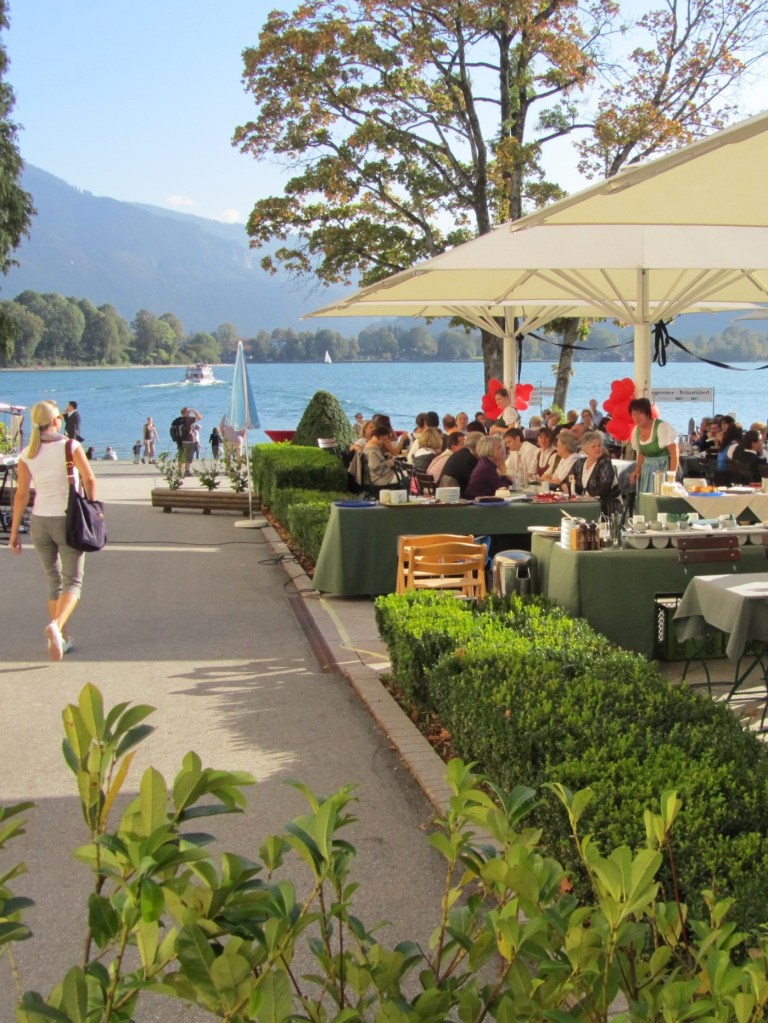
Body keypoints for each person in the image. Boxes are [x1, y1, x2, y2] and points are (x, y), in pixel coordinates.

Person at [8, 399, 98, 661]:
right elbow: (90, 479)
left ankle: (62, 638)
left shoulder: (28, 453)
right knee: (74, 581)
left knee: (53, 579)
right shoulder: (70, 446)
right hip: (68, 520)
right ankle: (56, 627)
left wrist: (14, 531)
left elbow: (21, 495)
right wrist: (94, 511)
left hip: (39, 521)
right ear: (56, 420)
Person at [628, 398, 679, 494]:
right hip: (647, 470)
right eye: (634, 414)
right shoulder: (636, 430)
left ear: (647, 413)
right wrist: (637, 470)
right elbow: (641, 452)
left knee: (661, 498)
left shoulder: (661, 427)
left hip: (663, 468)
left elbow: (674, 452)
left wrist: (671, 477)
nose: (637, 417)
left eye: (640, 413)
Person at [565, 430, 621, 515]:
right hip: (582, 504)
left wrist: (586, 499)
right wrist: (574, 495)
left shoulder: (605, 462)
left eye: (599, 445)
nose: (597, 448)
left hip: (605, 506)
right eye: (593, 446)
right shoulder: (579, 463)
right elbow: (570, 480)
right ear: (586, 449)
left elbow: (604, 488)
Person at [465, 434, 512, 499]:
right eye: (499, 448)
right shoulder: (486, 467)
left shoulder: (486, 463)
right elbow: (502, 491)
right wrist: (503, 471)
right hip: (476, 504)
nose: (502, 450)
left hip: (483, 501)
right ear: (489, 449)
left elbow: (506, 484)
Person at [173, 407, 202, 476]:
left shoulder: (177, 420)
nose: (190, 413)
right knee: (189, 457)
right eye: (189, 412)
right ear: (186, 412)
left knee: (180, 456)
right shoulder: (189, 419)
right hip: (189, 441)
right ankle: (187, 471)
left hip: (180, 441)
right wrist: (193, 410)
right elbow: (200, 417)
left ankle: (179, 471)